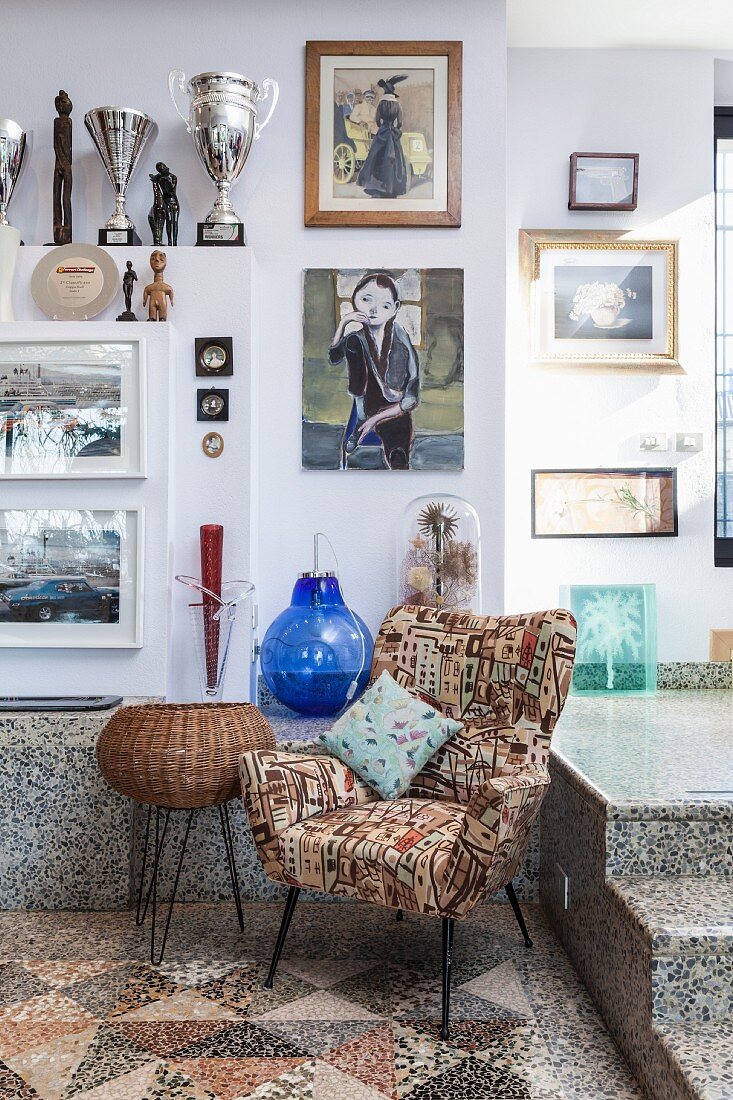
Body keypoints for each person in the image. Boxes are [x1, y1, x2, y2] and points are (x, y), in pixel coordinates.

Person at [329, 271, 419, 470]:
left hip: (394, 408)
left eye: (384, 305)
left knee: (398, 456)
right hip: (366, 402)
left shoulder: (401, 339)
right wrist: (344, 322)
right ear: (355, 299)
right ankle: (360, 419)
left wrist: (374, 420)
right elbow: (334, 357)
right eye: (366, 299)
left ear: (395, 309)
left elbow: (410, 399)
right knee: (353, 341)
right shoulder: (356, 338)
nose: (373, 310)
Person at [357, 75, 408, 198]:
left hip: (383, 131)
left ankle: (377, 186)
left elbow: (377, 119)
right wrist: (396, 129)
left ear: (385, 91)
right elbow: (400, 122)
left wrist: (382, 127)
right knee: (394, 160)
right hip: (393, 132)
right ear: (393, 92)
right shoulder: (397, 105)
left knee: (376, 156)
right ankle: (393, 188)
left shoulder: (381, 103)